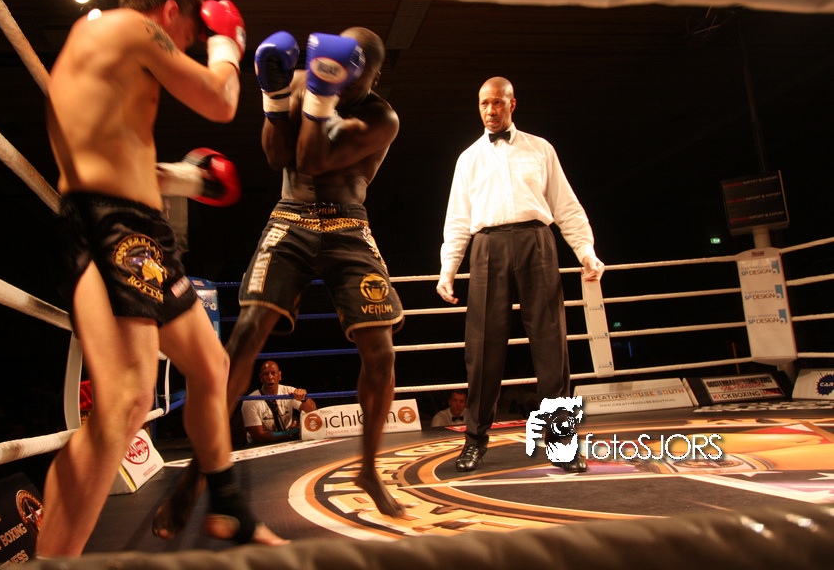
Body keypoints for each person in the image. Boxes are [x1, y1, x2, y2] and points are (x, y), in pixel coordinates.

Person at [41, 0, 284, 556]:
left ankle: (228, 509)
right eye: (192, 34)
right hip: (111, 226)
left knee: (210, 364)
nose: (189, 45)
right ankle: (53, 559)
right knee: (126, 400)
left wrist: (186, 178)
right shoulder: (133, 26)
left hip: (139, 230)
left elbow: (116, 155)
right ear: (170, 11)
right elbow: (221, 100)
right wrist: (226, 43)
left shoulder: (106, 50)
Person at [153, 27, 406, 532]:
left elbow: (313, 159)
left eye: (360, 73)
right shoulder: (301, 79)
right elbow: (277, 157)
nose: (349, 78)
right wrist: (274, 97)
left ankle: (369, 469)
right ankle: (199, 474)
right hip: (291, 215)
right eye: (343, 69)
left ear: (375, 76)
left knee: (380, 352)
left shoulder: (382, 117)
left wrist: (318, 92)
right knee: (245, 336)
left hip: (348, 224)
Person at [436, 76, 605, 475]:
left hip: (536, 242)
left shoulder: (540, 148)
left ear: (512, 104)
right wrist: (448, 270)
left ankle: (562, 444)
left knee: (551, 345)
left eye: (497, 102)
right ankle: (474, 441)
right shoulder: (468, 158)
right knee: (481, 349)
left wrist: (586, 251)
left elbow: (565, 205)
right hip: (487, 247)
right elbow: (457, 219)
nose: (490, 110)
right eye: (484, 103)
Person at [241, 360, 317, 444]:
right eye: (266, 374)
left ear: (279, 376)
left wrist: (304, 398)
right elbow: (259, 436)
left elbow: (312, 410)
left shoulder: (288, 392)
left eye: (273, 373)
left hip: (287, 441)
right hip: (260, 445)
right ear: (261, 378)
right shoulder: (251, 401)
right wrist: (291, 432)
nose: (270, 377)